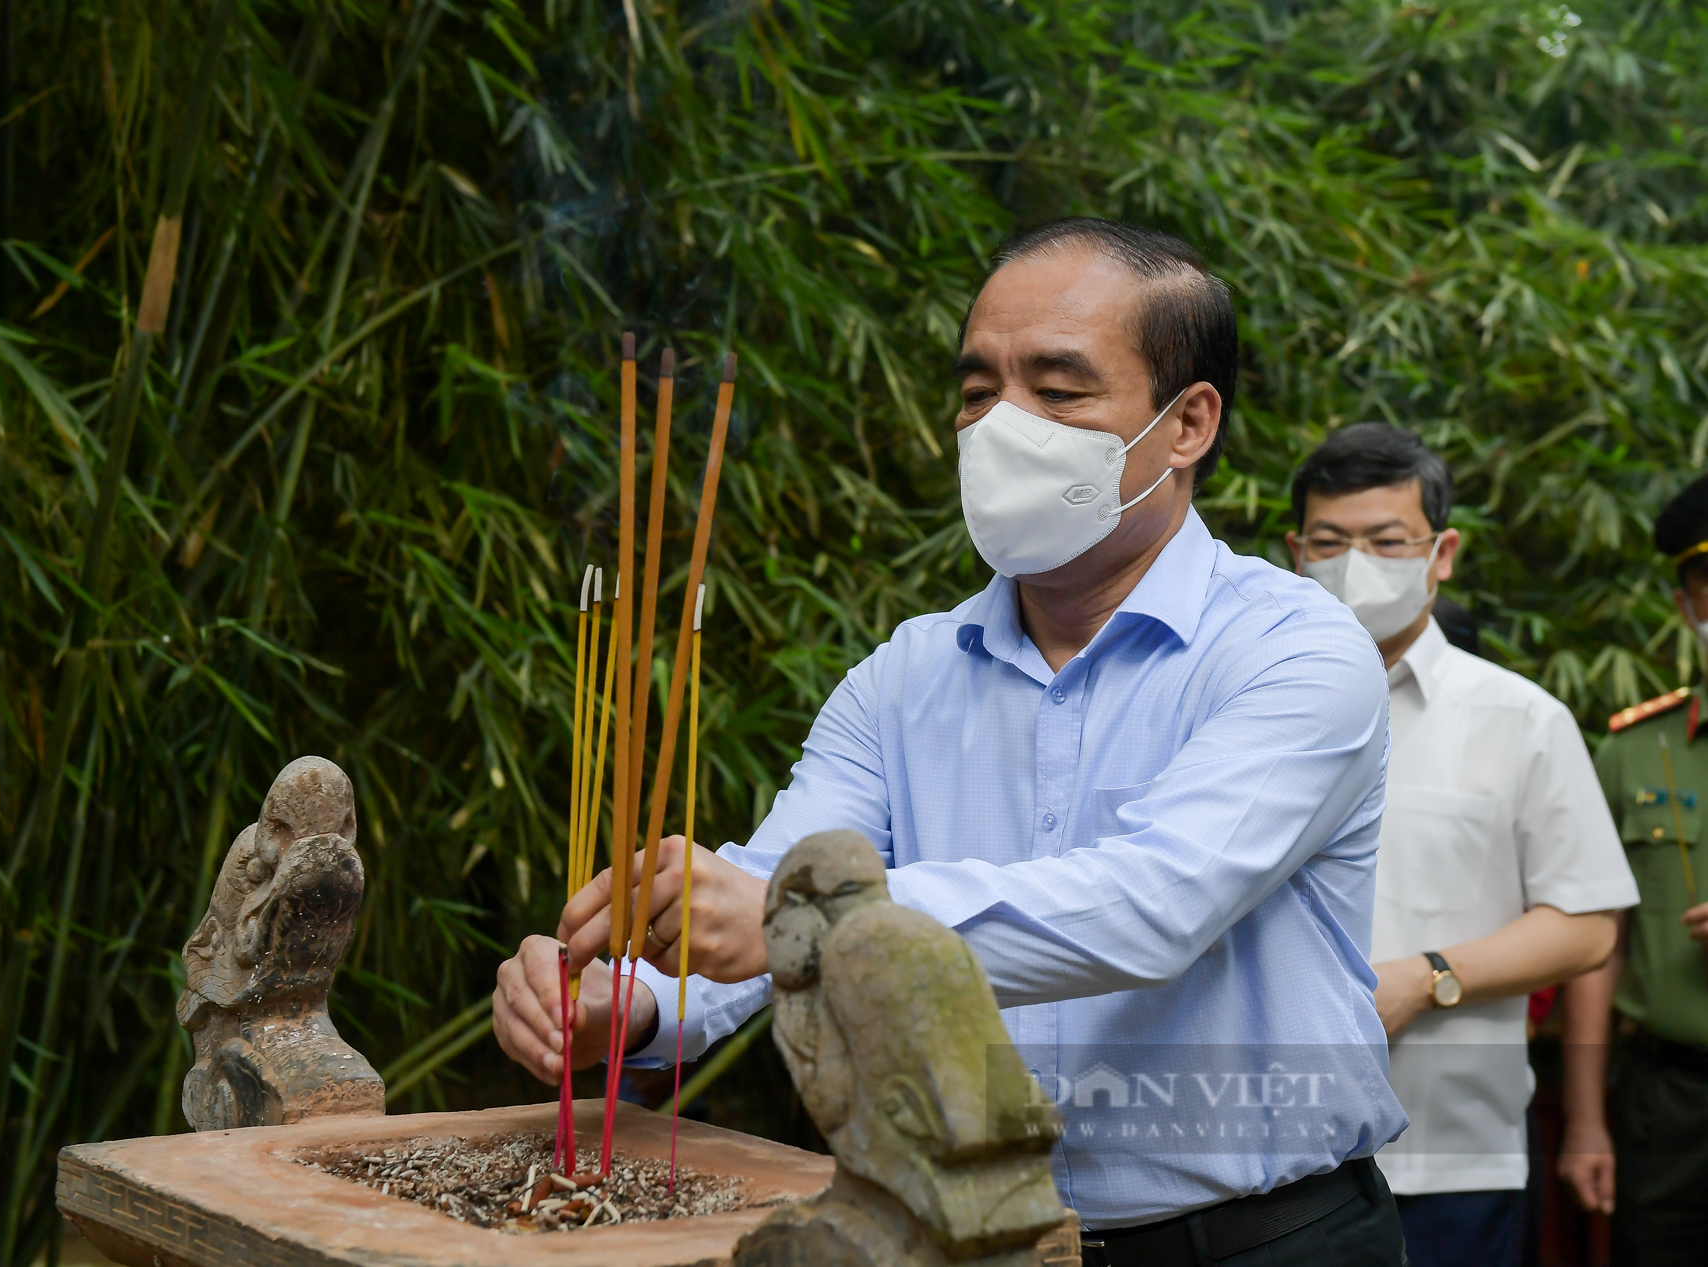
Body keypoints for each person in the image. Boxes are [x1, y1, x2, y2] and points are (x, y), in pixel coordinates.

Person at [495, 217, 1410, 1266]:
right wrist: (639, 999)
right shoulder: (901, 678)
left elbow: (1152, 904)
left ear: (1187, 422)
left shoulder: (1293, 650)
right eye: (978, 393)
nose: (1000, 425)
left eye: (1058, 391)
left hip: (1258, 1243)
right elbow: (765, 886)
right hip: (962, 1235)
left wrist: (810, 923)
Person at [1285, 424, 1636, 1267]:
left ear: (1441, 552)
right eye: (1329, 541)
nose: (1353, 563)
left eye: (1385, 541)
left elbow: (1586, 923)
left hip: (1448, 1157)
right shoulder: (1233, 712)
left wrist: (1429, 976)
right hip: (1265, 1159)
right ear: (1295, 551)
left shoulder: (1520, 719)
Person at [1558, 471, 1708, 1267]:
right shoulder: (1632, 749)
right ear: (1687, 606)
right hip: (1669, 1102)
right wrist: (1586, 1117)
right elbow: (1598, 941)